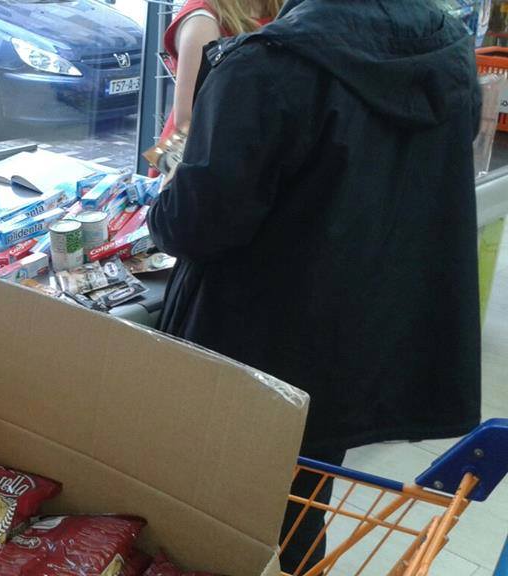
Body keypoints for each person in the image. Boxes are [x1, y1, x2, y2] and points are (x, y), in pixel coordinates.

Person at [147, 0, 481, 572]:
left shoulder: (268, 65)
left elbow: (195, 224)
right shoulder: (446, 49)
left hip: (249, 355)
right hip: (354, 339)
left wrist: (164, 201)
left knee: (206, 520)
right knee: (303, 504)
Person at [154, 0, 282, 174]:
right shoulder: (202, 20)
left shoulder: (280, 7)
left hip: (246, 154)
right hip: (201, 160)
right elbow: (187, 122)